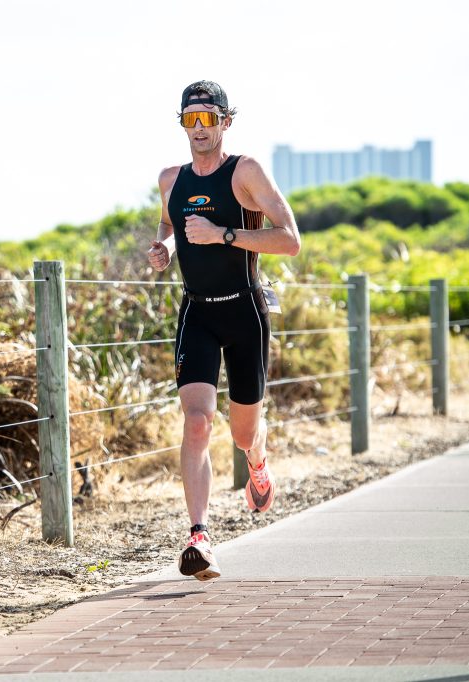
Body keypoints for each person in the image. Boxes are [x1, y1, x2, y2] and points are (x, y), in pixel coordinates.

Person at [147, 81, 301, 581]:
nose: (199, 129)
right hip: (197, 312)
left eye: (208, 119)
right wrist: (164, 250)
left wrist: (224, 236)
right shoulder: (171, 179)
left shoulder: (245, 172)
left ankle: (257, 459)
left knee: (242, 435)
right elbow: (171, 227)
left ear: (225, 122)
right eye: (190, 119)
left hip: (244, 313)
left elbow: (290, 240)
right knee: (196, 422)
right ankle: (199, 537)